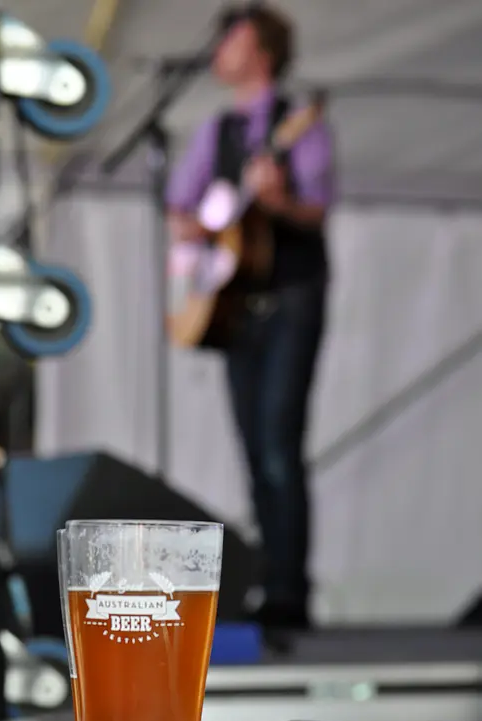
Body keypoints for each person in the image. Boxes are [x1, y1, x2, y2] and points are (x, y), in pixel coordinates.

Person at [166, 4, 334, 632]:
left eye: (232, 39)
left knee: (277, 446)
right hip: (234, 304)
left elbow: (315, 209)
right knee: (250, 445)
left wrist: (277, 201)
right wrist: (199, 235)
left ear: (261, 51)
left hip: (291, 298)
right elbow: (182, 207)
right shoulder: (218, 130)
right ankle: (268, 583)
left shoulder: (299, 123)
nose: (219, 49)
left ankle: (291, 590)